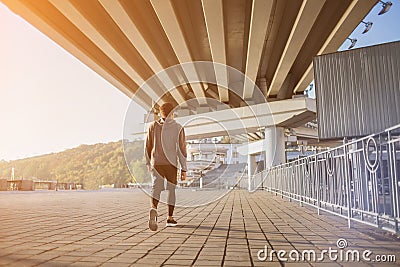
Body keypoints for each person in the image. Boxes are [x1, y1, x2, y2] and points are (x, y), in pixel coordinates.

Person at [145, 102, 187, 231]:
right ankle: (169, 218)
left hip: (156, 163)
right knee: (171, 190)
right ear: (172, 113)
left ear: (160, 113)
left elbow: (147, 146)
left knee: (156, 188)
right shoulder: (178, 127)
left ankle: (154, 208)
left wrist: (148, 162)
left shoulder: (153, 126)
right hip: (171, 164)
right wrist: (184, 168)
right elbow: (181, 149)